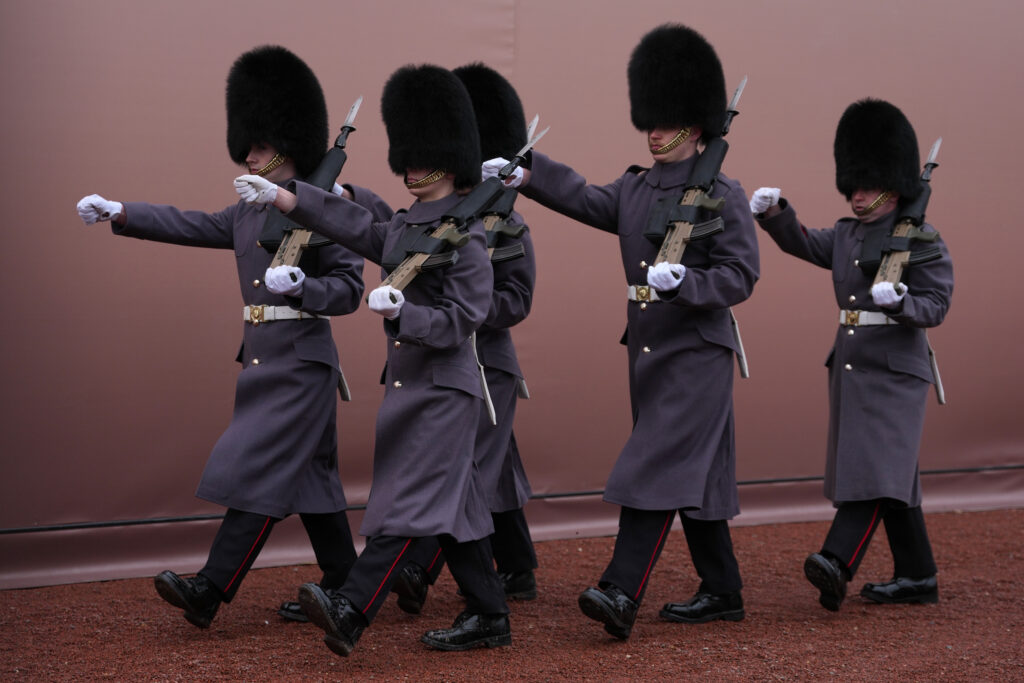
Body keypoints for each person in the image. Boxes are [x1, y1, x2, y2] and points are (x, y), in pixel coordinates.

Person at [75, 45, 392, 629]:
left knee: (258, 471)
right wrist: (122, 211)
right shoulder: (247, 213)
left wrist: (300, 285)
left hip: (301, 363)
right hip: (262, 361)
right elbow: (190, 223)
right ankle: (347, 585)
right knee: (314, 482)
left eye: (260, 147)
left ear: (288, 148)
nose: (248, 156)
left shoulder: (321, 209)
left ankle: (211, 588)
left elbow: (347, 291)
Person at [482, 24, 759, 639]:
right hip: (650, 351)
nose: (654, 133)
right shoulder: (636, 189)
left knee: (653, 464)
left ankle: (620, 589)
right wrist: (527, 174)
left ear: (696, 127)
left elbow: (740, 276)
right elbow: (583, 197)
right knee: (692, 470)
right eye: (650, 123)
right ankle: (723, 589)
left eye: (665, 124)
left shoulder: (723, 194)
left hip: (698, 352)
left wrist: (683, 284)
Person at [233, 63, 511, 655]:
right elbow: (350, 221)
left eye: (421, 158)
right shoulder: (404, 224)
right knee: (452, 505)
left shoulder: (470, 238)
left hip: (446, 390)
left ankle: (351, 608)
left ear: (449, 160)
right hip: (411, 389)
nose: (411, 169)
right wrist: (284, 194)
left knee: (404, 503)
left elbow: (464, 321)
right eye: (407, 158)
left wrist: (401, 315)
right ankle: (489, 613)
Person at [750, 98, 952, 611]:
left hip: (897, 369)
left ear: (894, 185)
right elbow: (803, 242)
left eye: (868, 187)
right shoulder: (847, 234)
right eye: (854, 187)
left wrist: (903, 301)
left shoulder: (921, 239)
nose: (858, 196)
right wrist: (776, 213)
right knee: (890, 471)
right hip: (851, 365)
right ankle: (917, 576)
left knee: (877, 469)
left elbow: (936, 303)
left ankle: (837, 560)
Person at [389, 62, 540, 615]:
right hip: (446, 359)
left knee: (466, 469)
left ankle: (418, 569)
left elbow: (516, 301)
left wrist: (468, 308)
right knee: (486, 466)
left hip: (486, 361)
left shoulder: (505, 226)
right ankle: (518, 566)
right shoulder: (428, 217)